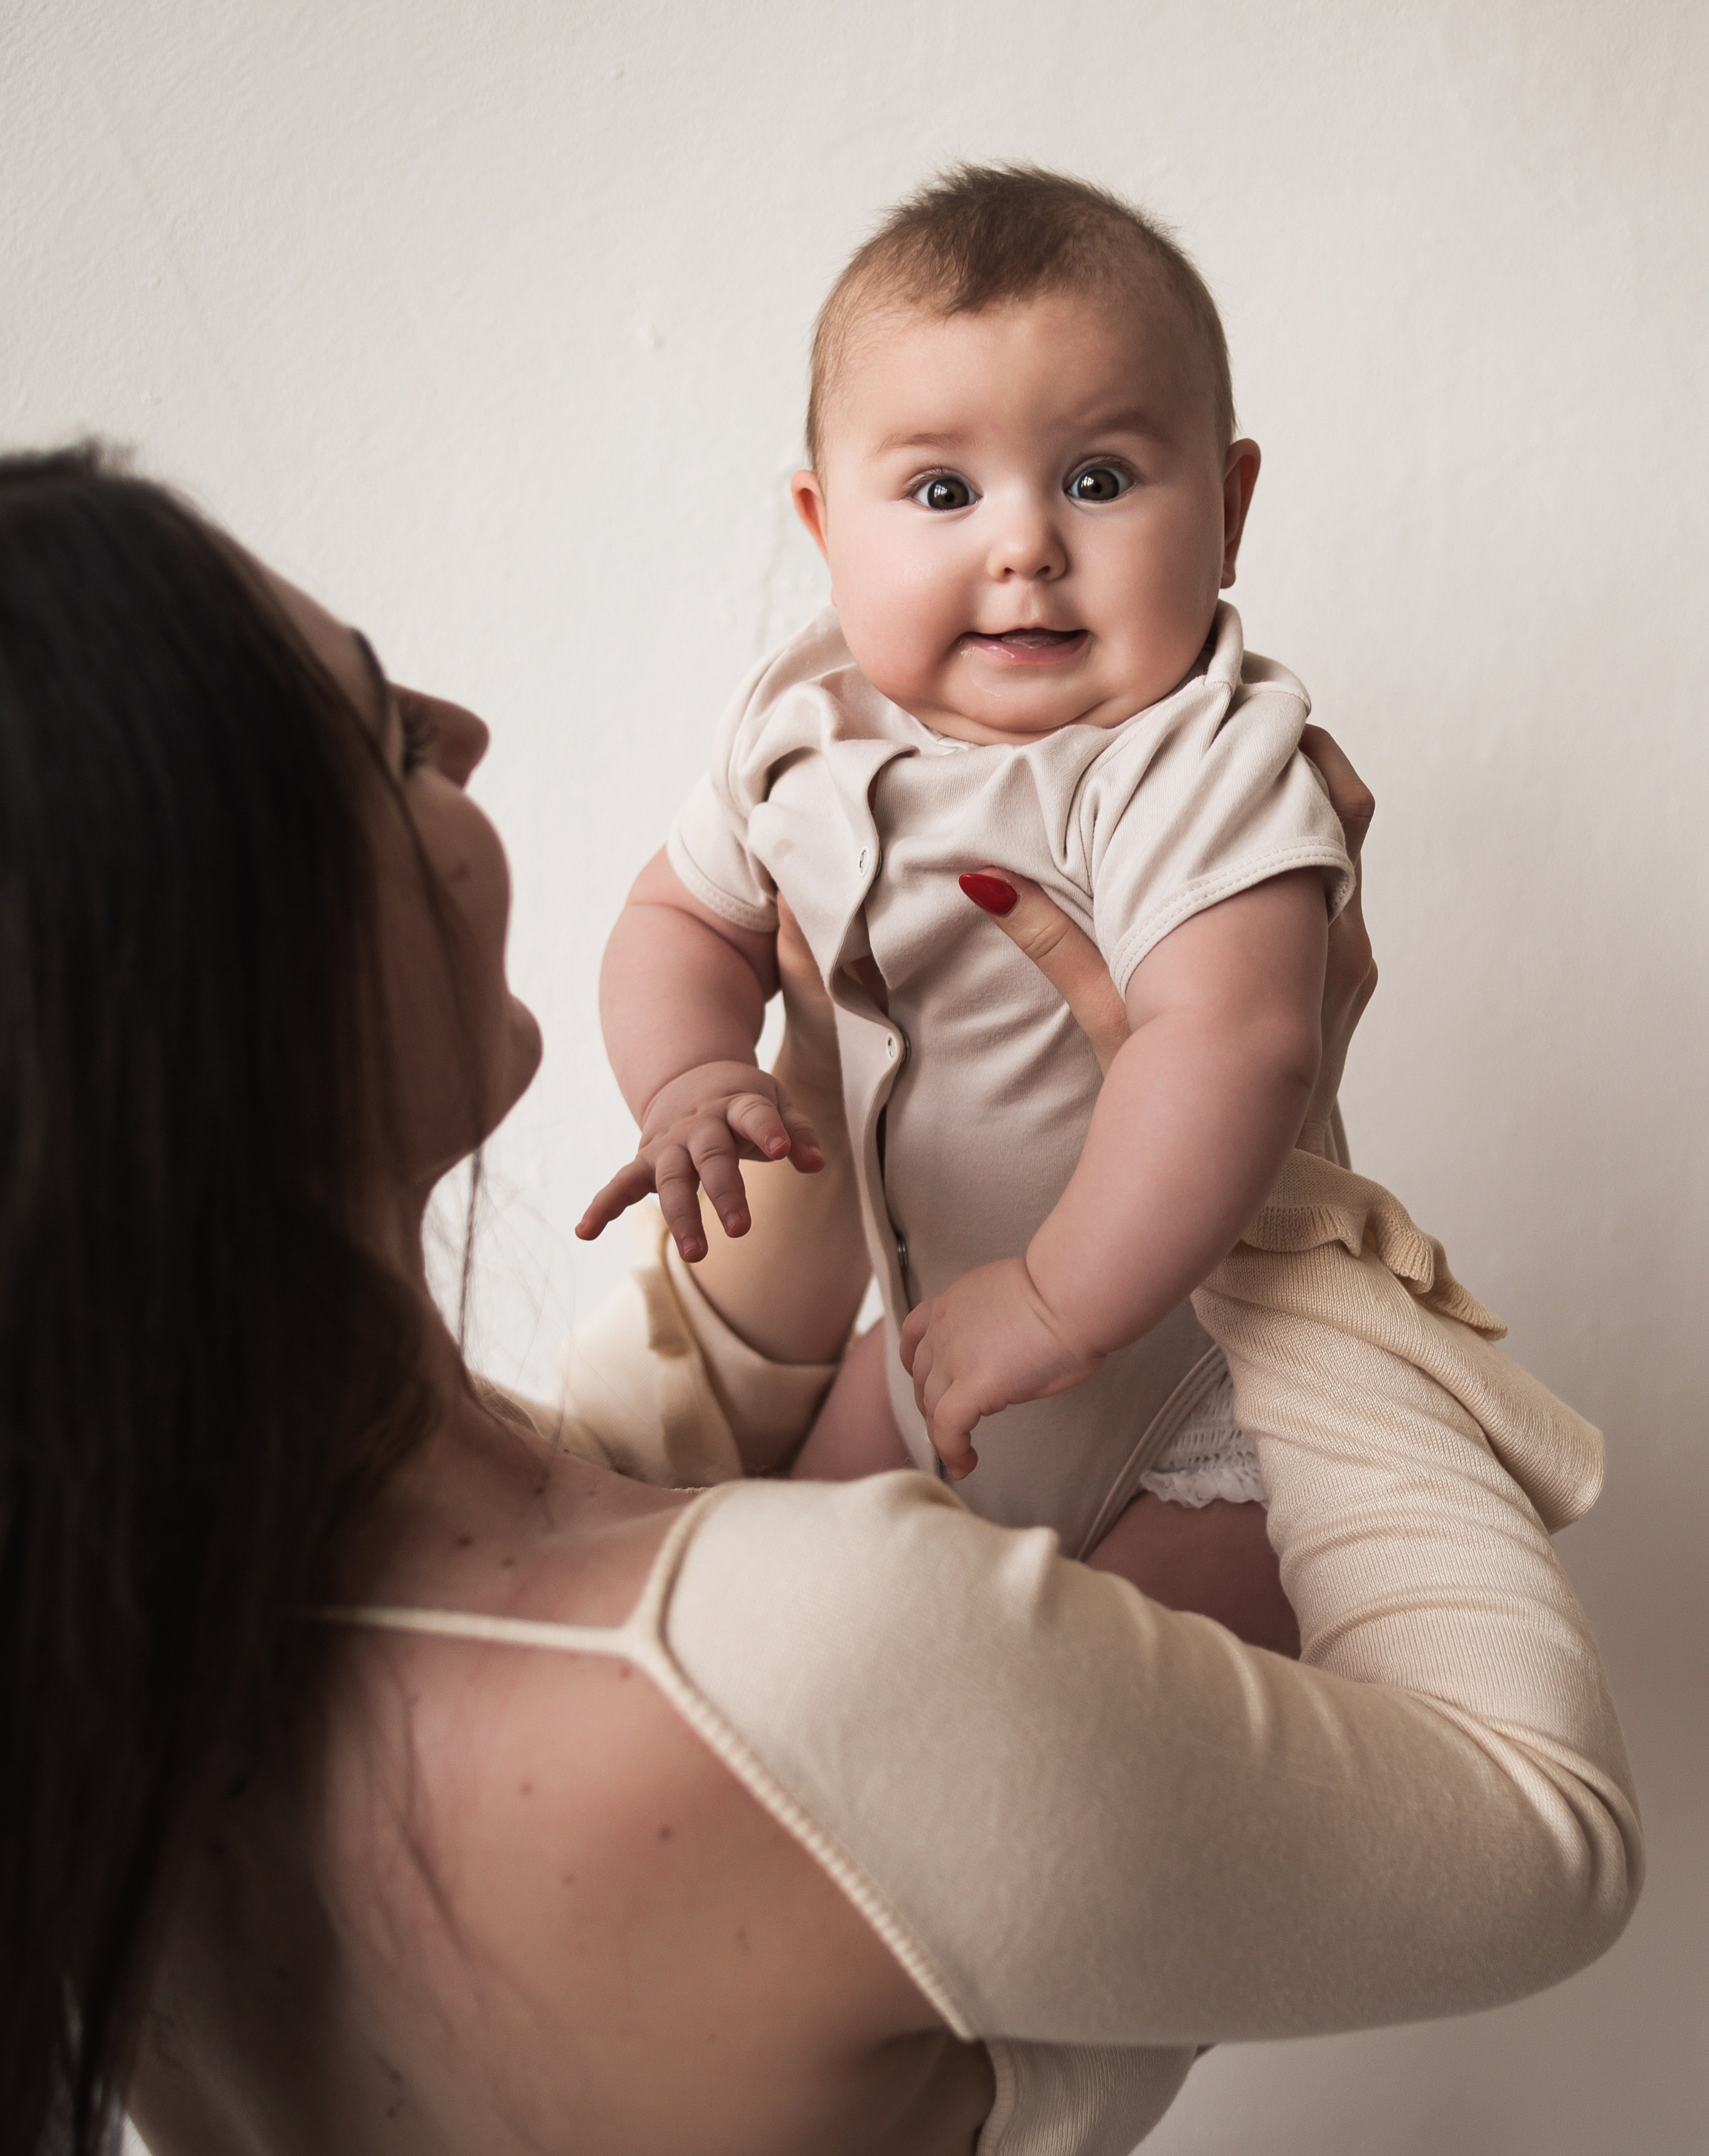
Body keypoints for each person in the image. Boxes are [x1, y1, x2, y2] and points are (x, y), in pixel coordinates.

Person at [0, 448, 1638, 2156]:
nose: (462, 728)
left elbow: (644, 1455)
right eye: (387, 737)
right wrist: (1264, 1163)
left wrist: (826, 1064)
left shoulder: (118, 1662)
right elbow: (1542, 1833)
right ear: (235, 963)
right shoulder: (810, 1668)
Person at [578, 165, 1357, 1598]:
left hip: (1191, 1389)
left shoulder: (1192, 755)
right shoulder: (801, 719)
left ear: (1230, 508)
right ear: (824, 527)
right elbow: (681, 913)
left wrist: (1060, 1300)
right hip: (930, 1340)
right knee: (791, 1605)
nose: (1024, 546)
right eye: (942, 490)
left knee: (1119, 1695)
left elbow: (1234, 1042)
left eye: (1098, 480)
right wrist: (690, 1070)